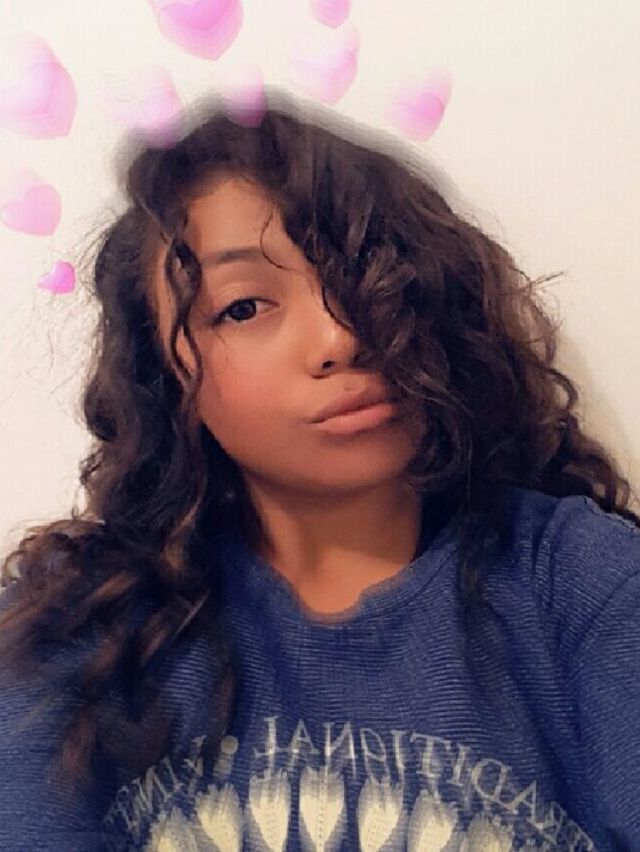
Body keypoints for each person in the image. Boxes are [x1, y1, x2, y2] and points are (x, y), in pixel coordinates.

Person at [0, 88, 638, 851]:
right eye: (243, 307)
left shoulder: (582, 585)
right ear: (164, 377)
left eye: (367, 272)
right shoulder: (76, 630)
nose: (340, 336)